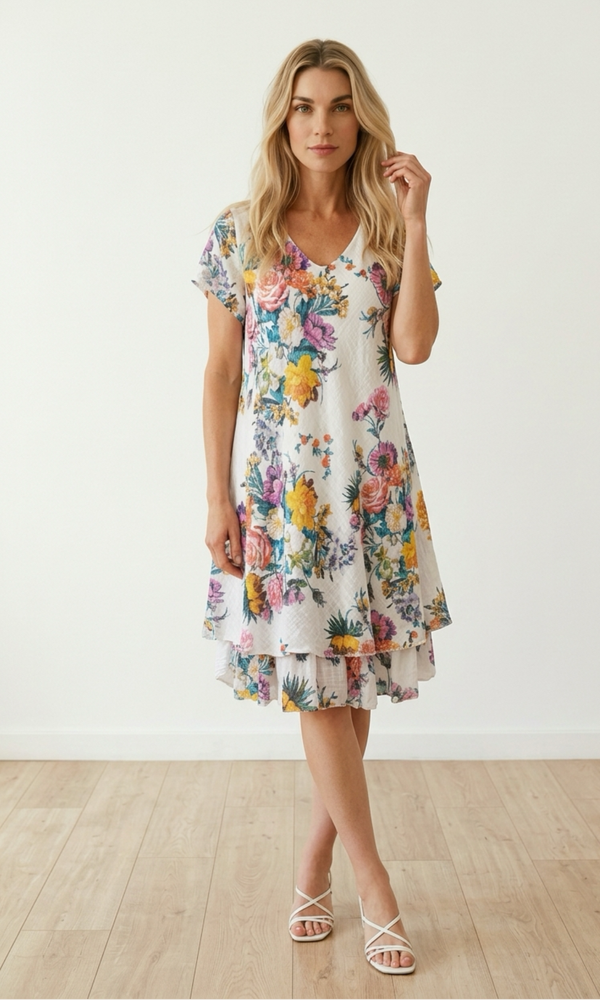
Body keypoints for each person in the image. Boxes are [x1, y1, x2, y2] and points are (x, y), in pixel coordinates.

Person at [192, 38, 451, 975]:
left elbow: (414, 348)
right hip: (282, 499)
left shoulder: (387, 227)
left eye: (340, 107)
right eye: (305, 107)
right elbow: (222, 373)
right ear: (282, 118)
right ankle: (376, 885)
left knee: (351, 684)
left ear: (362, 117)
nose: (323, 125)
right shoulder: (240, 232)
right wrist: (217, 496)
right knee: (315, 685)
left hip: (373, 488)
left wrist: (418, 219)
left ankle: (313, 860)